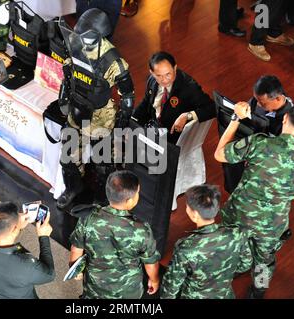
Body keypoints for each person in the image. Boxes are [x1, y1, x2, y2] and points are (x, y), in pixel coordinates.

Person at [214, 102, 294, 299]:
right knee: (263, 260)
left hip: (239, 214)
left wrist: (235, 119)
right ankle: (258, 290)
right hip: (271, 225)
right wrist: (287, 189)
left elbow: (219, 154)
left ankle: (237, 267)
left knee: (234, 245)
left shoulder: (260, 143)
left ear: (285, 119)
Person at [57, 8, 135, 209]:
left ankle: (101, 200)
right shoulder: (75, 45)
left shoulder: (113, 61)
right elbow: (68, 75)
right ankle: (72, 188)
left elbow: (127, 96)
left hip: (102, 117)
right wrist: (64, 98)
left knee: (103, 164)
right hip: (77, 108)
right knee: (68, 155)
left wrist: (120, 126)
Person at [69, 170, 161, 298]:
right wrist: (154, 280)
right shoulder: (141, 230)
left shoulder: (88, 217)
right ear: (129, 201)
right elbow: (150, 263)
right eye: (137, 193)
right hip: (127, 290)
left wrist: (75, 269)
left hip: (95, 285)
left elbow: (76, 249)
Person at [161, 184, 252, 299]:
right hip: (225, 293)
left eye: (187, 207)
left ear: (195, 215)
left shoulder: (186, 249)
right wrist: (223, 274)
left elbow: (171, 286)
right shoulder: (236, 233)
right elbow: (246, 264)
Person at [220, 75, 293, 194]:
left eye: (262, 103)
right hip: (244, 148)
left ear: (278, 99)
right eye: (256, 100)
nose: (258, 105)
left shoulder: (288, 122)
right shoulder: (260, 99)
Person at [0, 202, 55, 299]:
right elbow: (49, 274)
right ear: (14, 229)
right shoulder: (27, 266)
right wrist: (44, 236)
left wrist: (17, 226)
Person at [132, 51, 216, 145]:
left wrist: (187, 115)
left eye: (168, 74)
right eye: (158, 75)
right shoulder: (151, 81)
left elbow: (212, 108)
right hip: (153, 127)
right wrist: (132, 119)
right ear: (152, 73)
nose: (164, 80)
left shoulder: (189, 87)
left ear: (175, 68)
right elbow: (146, 102)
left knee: (134, 150)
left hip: (171, 137)